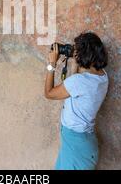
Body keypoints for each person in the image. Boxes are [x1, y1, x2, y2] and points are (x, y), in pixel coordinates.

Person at [44, 32, 109, 170]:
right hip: (81, 144)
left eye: (77, 51)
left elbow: (49, 93)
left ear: (85, 55)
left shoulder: (79, 82)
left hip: (75, 147)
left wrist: (52, 64)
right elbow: (76, 85)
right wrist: (75, 63)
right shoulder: (103, 76)